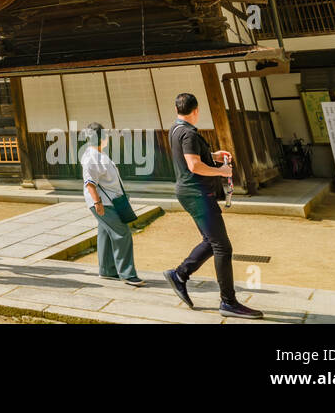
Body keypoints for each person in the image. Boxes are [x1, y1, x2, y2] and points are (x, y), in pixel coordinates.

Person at [162, 93, 264, 319]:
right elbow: (194, 164)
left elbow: (195, 157)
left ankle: (179, 275)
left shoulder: (176, 129)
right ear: (196, 111)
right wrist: (221, 171)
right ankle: (228, 302)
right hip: (197, 193)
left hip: (190, 192)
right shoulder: (188, 133)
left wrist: (215, 156)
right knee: (222, 247)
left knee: (211, 241)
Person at [79, 122, 144, 287]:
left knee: (106, 233)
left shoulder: (96, 154)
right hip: (103, 202)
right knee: (122, 233)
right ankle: (127, 274)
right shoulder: (92, 157)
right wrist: (97, 203)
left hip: (109, 200)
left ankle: (107, 270)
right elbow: (90, 183)